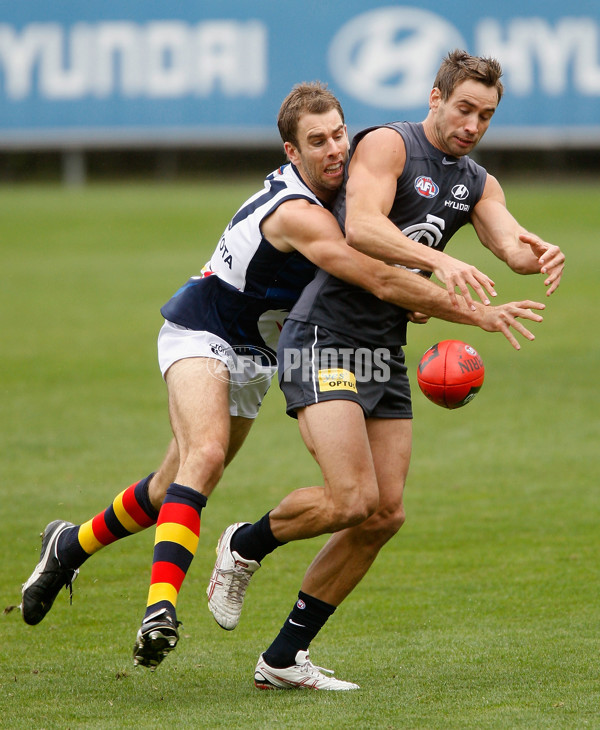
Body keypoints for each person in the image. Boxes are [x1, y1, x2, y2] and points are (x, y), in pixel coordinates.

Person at [21, 80, 543, 672]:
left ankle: (70, 543)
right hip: (204, 330)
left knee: (170, 488)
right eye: (316, 142)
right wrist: (452, 292)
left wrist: (423, 293)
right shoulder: (299, 212)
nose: (334, 151)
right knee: (208, 455)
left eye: (340, 135)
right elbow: (371, 273)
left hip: (260, 352)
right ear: (291, 154)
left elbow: (384, 273)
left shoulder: (353, 185)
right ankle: (159, 611)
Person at [206, 51, 565, 691]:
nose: (473, 124)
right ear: (435, 97)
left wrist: (534, 254)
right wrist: (443, 273)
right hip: (321, 336)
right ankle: (245, 544)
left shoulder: (477, 181)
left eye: (486, 115)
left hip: (383, 347)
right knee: (351, 497)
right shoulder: (387, 147)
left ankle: (283, 659)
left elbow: (505, 241)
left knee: (383, 515)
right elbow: (365, 228)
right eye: (463, 109)